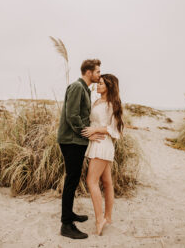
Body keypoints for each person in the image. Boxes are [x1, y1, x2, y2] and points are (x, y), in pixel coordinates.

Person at [57, 59, 105, 239]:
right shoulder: (77, 87)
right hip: (72, 141)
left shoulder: (84, 89)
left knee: (73, 178)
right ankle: (66, 225)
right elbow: (72, 115)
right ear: (88, 72)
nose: (100, 75)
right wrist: (87, 134)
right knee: (71, 180)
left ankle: (69, 215)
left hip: (75, 140)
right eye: (98, 72)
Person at [81, 74, 124, 236]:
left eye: (101, 84)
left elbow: (115, 130)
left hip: (103, 144)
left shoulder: (112, 104)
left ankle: (100, 219)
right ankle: (108, 216)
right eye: (98, 83)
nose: (97, 86)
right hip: (96, 143)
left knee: (91, 181)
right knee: (106, 182)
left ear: (109, 86)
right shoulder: (97, 101)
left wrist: (95, 130)